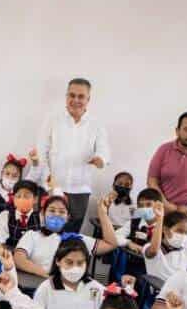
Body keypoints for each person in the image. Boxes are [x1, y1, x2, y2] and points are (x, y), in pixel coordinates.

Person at [36, 78, 110, 229]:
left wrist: (100, 159)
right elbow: (40, 152)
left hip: (80, 191)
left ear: (88, 99)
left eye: (81, 96)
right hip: (52, 188)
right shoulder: (52, 119)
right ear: (66, 96)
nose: (76, 100)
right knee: (45, 233)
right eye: (72, 95)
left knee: (70, 239)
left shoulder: (97, 124)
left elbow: (104, 151)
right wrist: (48, 182)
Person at [14, 195, 115, 277]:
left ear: (67, 218)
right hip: (34, 284)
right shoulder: (32, 235)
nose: (56, 214)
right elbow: (19, 259)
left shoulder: (76, 239)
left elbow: (111, 244)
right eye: (52, 210)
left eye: (62, 212)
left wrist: (102, 213)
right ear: (43, 214)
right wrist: (46, 275)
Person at [111, 188, 164, 281]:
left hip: (150, 270)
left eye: (148, 205)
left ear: (158, 205)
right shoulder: (134, 222)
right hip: (130, 264)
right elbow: (115, 236)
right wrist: (128, 243)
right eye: (140, 205)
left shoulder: (164, 227)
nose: (144, 208)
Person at [143, 207, 187, 280]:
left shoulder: (185, 249)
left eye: (186, 233)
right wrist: (160, 219)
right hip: (161, 289)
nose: (183, 236)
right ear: (166, 230)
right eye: (179, 231)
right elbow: (153, 250)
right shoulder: (152, 247)